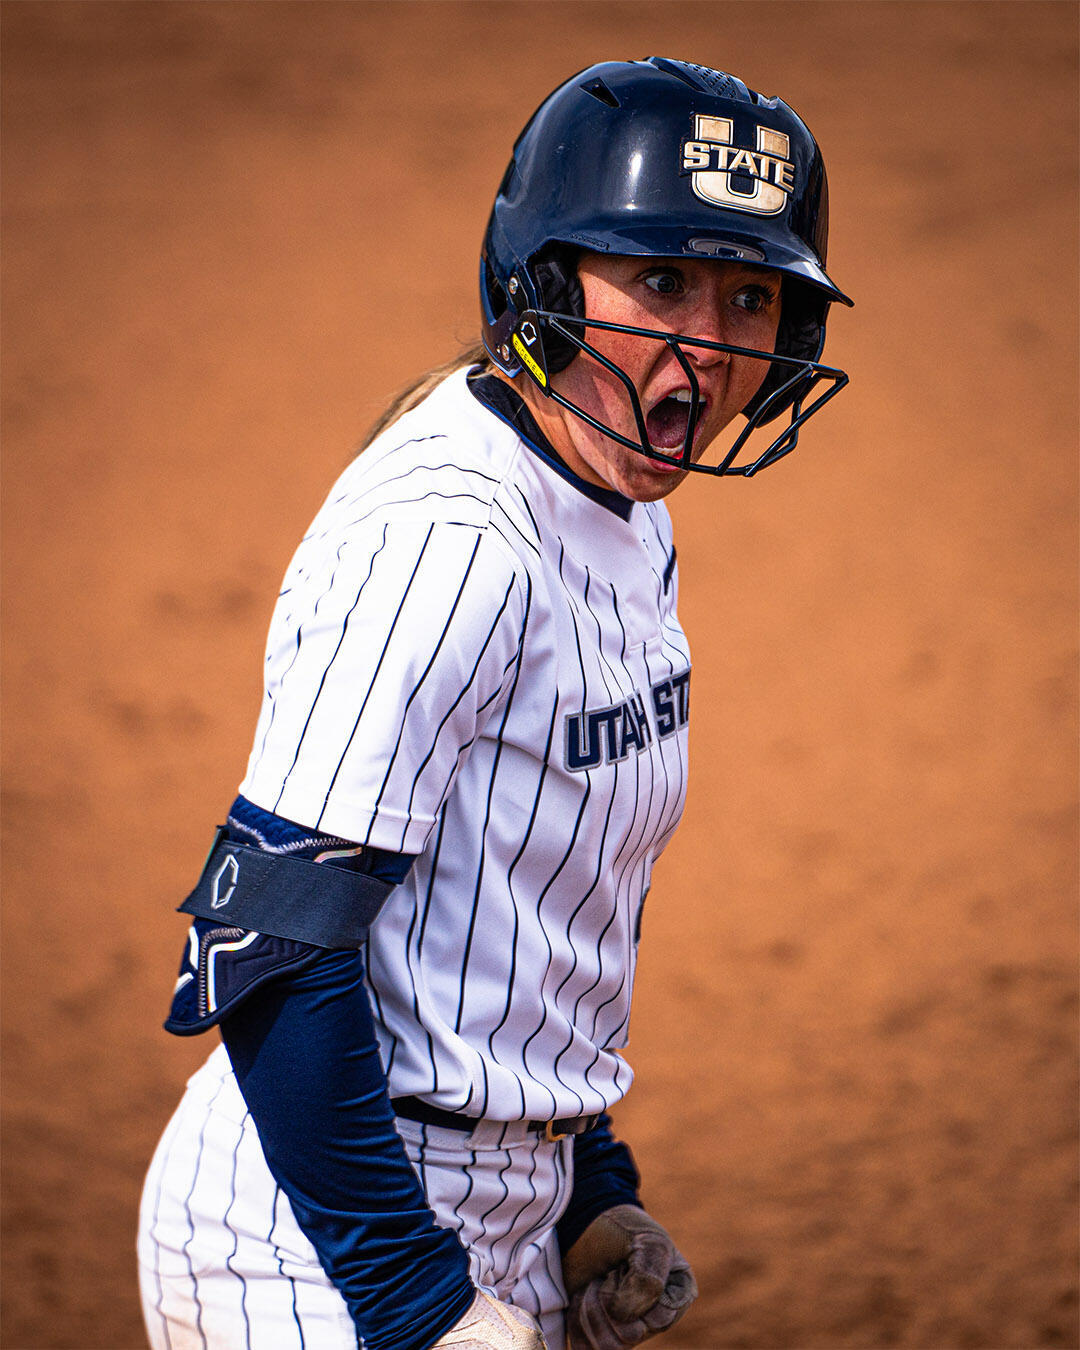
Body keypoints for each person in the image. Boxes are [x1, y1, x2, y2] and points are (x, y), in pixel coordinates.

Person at [137, 56, 850, 1350]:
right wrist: (417, 1297)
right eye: (661, 281)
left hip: (492, 1206)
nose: (707, 343)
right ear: (545, 278)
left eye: (751, 295)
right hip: (318, 1239)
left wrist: (590, 1189)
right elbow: (270, 952)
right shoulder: (455, 535)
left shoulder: (626, 515)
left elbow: (529, 904)